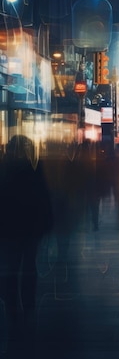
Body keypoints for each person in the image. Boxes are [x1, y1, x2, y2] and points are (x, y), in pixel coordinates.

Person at [0, 135, 54, 352]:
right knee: (28, 267)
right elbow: (43, 197)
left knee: (11, 268)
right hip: (30, 228)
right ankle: (28, 305)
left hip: (9, 228)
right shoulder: (35, 169)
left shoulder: (4, 170)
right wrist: (46, 222)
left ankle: (12, 308)